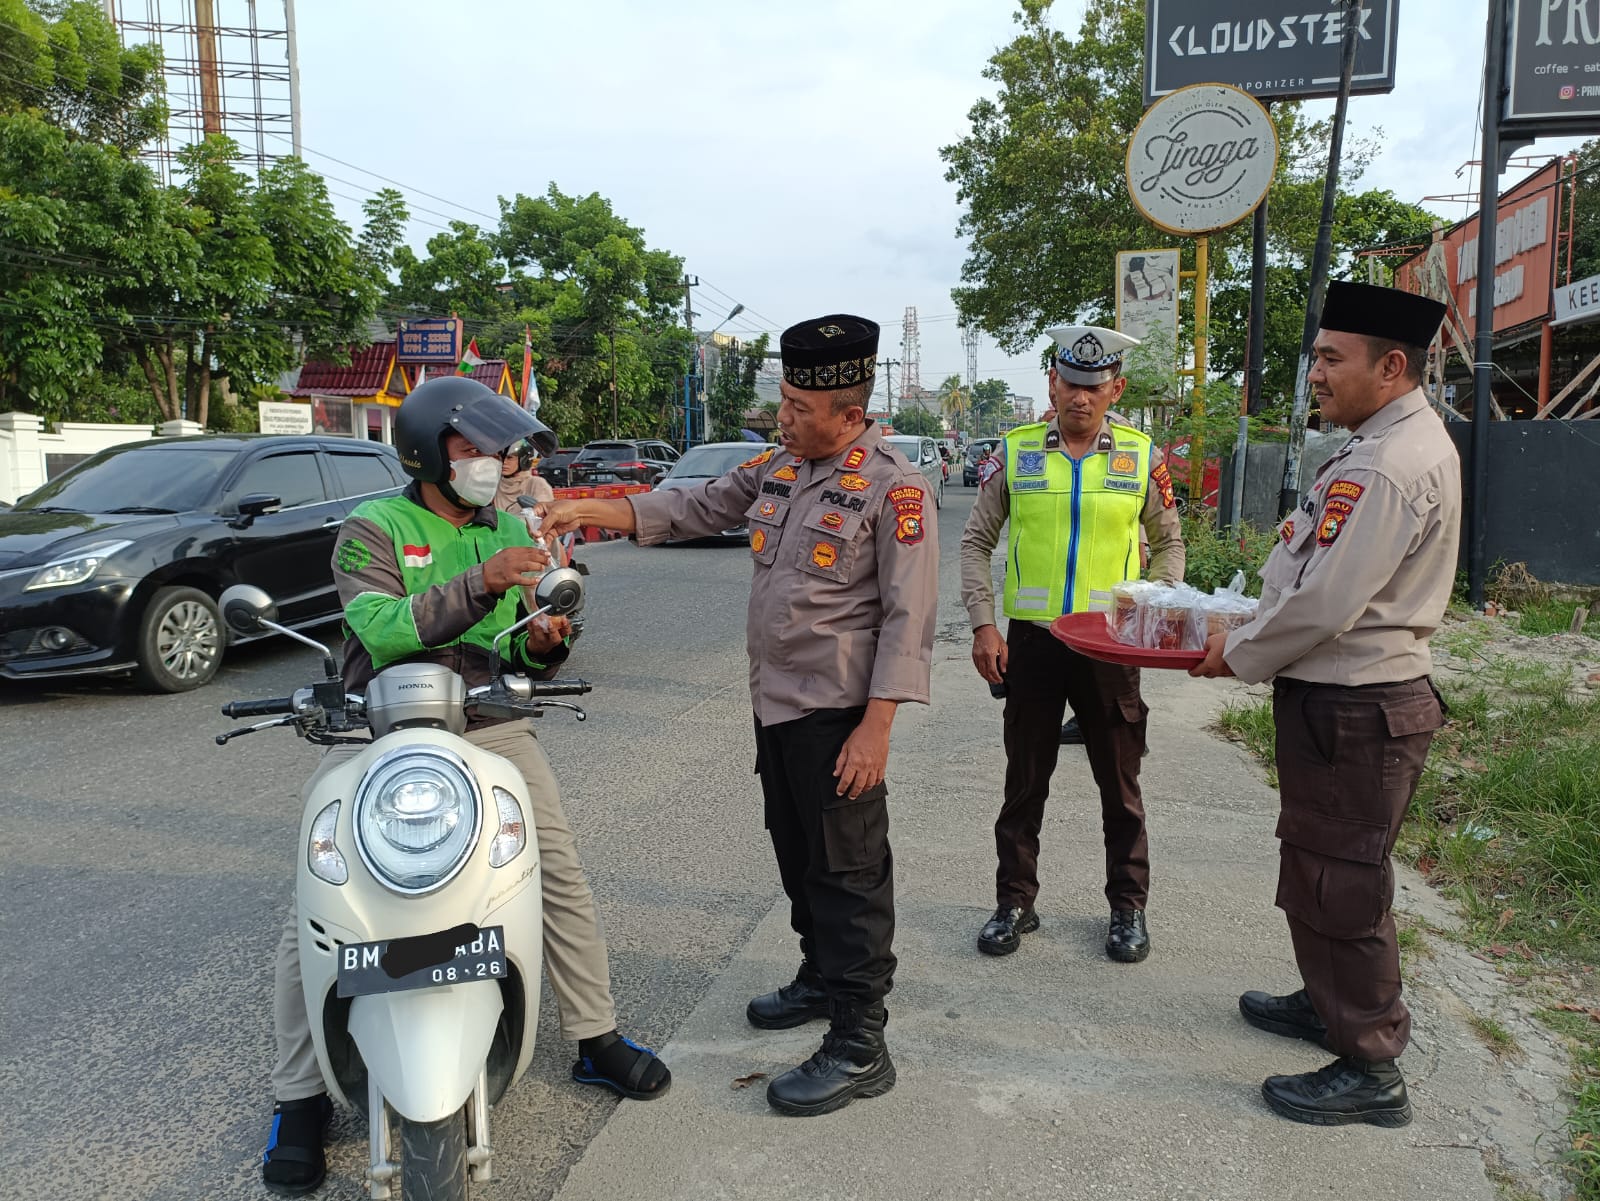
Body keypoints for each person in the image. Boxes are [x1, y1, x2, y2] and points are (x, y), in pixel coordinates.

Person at [261, 377, 668, 1197]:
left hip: (490, 724)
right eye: (474, 450)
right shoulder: (372, 528)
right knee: (323, 895)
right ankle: (297, 1094)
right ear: (427, 451)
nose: (493, 466)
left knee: (556, 873)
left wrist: (546, 639)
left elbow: (516, 653)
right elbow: (377, 631)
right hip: (372, 726)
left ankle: (594, 1035)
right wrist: (483, 582)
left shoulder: (512, 526)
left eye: (500, 453)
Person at [540, 314, 937, 1118]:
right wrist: (604, 515)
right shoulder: (780, 466)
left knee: (849, 874)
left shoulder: (895, 487)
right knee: (797, 854)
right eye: (783, 403)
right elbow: (700, 504)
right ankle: (821, 978)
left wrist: (878, 725)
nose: (781, 418)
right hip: (778, 706)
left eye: (797, 406)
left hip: (840, 714)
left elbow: (909, 617)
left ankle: (862, 1043)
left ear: (850, 415)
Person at [1189, 283, 1457, 1128]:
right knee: (1318, 862)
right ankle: (1329, 999)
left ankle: (1370, 1066)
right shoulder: (1372, 444)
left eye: (1332, 358)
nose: (1316, 373)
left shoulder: (1388, 461)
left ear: (1392, 365)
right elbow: (1306, 571)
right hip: (1337, 698)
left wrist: (1236, 652)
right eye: (1316, 356)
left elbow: (1328, 602)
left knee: (1344, 880)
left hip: (1358, 703)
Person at [960, 325, 1183, 963]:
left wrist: (1157, 609)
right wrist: (983, 623)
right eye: (1070, 384)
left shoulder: (1144, 458)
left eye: (1094, 387)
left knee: (1121, 786)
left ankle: (1128, 910)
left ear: (1116, 388)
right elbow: (977, 542)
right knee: (1024, 782)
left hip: (1111, 648)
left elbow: (1168, 543)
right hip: (1033, 645)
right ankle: (1014, 903)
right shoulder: (1014, 452)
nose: (1080, 398)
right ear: (1052, 383)